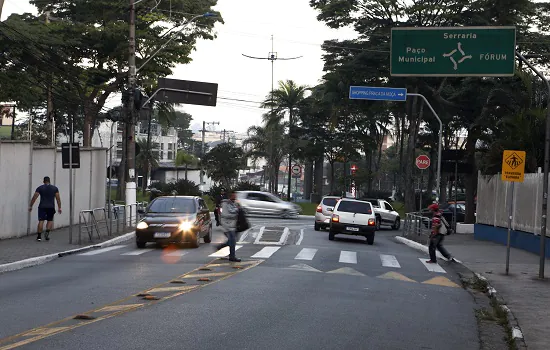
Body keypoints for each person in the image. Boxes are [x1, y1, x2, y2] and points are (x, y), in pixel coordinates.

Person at [28, 176, 62, 242]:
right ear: (49, 181)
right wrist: (59, 207)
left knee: (41, 221)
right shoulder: (54, 188)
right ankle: (47, 234)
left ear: (43, 181)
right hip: (51, 207)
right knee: (50, 220)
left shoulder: (40, 188)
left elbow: (34, 197)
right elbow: (58, 198)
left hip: (42, 207)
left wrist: (30, 206)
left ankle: (39, 236)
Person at [217, 191, 241, 262]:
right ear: (230, 196)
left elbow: (237, 210)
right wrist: (236, 213)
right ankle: (232, 256)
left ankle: (221, 246)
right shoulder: (225, 204)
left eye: (235, 196)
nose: (235, 197)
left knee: (233, 240)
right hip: (227, 225)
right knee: (232, 241)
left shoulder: (234, 203)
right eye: (233, 196)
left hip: (233, 225)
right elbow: (225, 215)